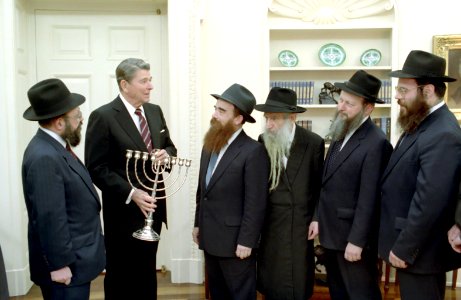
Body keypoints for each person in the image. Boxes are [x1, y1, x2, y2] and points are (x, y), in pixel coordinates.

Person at [85, 58, 177, 300]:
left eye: (150, 80)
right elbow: (96, 167)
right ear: (125, 85)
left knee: (147, 273)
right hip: (123, 213)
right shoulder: (103, 116)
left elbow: (170, 147)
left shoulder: (154, 112)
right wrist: (131, 192)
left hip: (154, 209)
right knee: (122, 275)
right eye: (144, 81)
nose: (150, 86)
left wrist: (165, 156)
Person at [379, 50, 461, 300]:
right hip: (413, 248)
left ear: (427, 91)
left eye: (404, 90)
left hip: (420, 252)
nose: (397, 97)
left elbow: (430, 201)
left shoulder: (443, 133)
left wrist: (405, 248)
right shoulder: (421, 123)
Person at [309, 70, 393, 300]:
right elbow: (326, 183)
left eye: (349, 103)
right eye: (341, 101)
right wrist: (317, 217)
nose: (340, 107)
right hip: (332, 236)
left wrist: (357, 241)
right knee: (339, 293)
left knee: (360, 294)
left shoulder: (377, 143)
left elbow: (370, 199)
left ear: (368, 108)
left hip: (353, 242)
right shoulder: (340, 130)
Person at [21, 78, 105, 300]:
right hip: (65, 270)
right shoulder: (44, 157)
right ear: (59, 123)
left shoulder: (55, 148)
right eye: (77, 116)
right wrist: (59, 265)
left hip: (76, 261)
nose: (81, 120)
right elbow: (49, 218)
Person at [192, 83, 269, 300]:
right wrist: (198, 224)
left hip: (237, 245)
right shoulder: (210, 144)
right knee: (218, 294)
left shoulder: (253, 152)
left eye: (222, 111)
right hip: (210, 239)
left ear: (239, 119)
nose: (215, 115)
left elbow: (256, 203)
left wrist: (247, 241)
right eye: (215, 108)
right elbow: (203, 190)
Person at [254, 87, 324, 300]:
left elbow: (320, 186)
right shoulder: (262, 139)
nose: (269, 124)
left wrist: (316, 218)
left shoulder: (313, 142)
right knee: (272, 281)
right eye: (267, 118)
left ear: (292, 117)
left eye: (274, 118)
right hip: (272, 223)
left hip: (300, 224)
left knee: (297, 281)